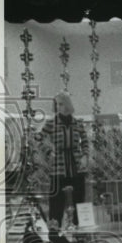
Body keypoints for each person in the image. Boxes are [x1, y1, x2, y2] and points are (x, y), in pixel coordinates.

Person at [42, 91, 90, 229]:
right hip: (58, 166)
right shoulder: (51, 123)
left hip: (77, 165)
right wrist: (48, 151)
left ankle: (79, 229)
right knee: (56, 200)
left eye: (61, 104)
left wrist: (85, 155)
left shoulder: (78, 123)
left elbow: (85, 141)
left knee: (79, 199)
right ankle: (55, 232)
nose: (58, 107)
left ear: (68, 105)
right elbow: (38, 139)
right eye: (57, 104)